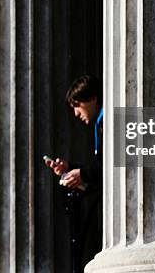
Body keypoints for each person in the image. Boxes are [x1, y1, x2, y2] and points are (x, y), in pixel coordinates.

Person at [44, 75, 103, 271]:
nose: (76, 113)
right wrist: (70, 169)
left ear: (93, 98)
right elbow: (98, 167)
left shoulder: (107, 121)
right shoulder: (99, 124)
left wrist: (82, 174)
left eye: (77, 105)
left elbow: (110, 166)